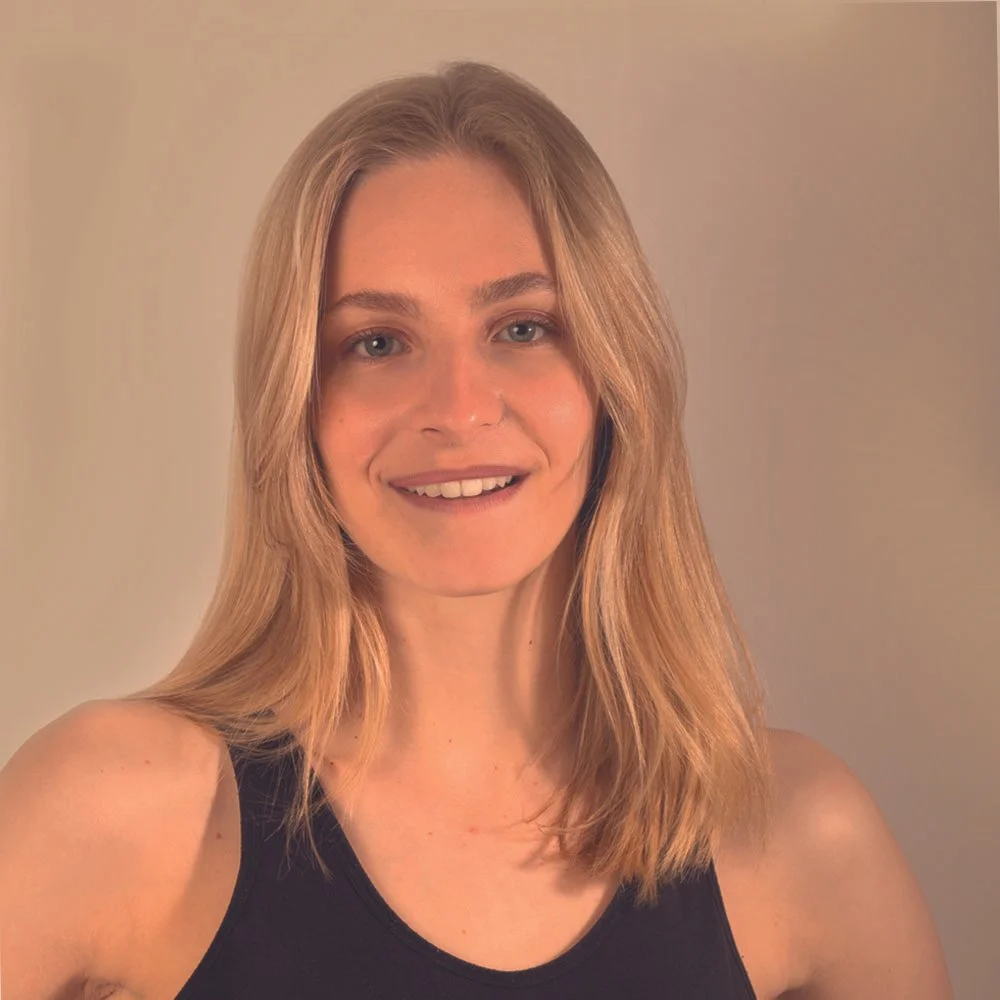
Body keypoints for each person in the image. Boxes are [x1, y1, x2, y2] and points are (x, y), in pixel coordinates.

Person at [0, 60, 953, 1000]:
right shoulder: (116, 813)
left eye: (523, 327)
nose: (457, 409)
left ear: (615, 378)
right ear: (297, 409)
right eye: (376, 343)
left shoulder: (798, 841)